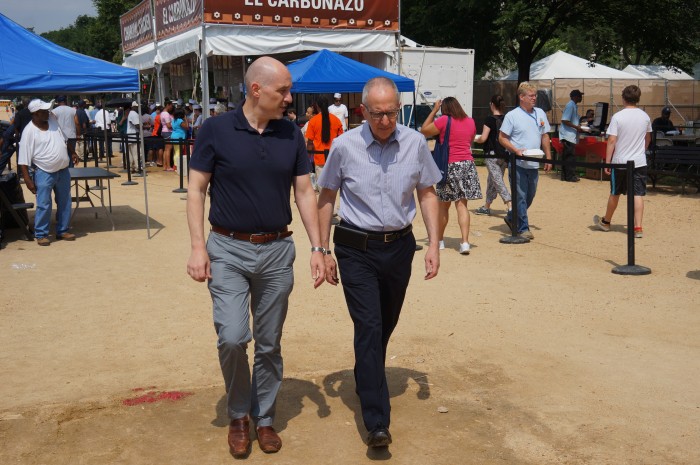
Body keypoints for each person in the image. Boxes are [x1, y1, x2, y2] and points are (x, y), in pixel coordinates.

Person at [186, 56, 325, 458]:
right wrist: (198, 248)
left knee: (268, 342)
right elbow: (196, 190)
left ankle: (262, 418)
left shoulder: (291, 135)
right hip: (227, 249)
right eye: (283, 90)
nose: (289, 97)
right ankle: (237, 414)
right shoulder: (214, 130)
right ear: (256, 89)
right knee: (232, 337)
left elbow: (304, 193)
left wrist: (318, 248)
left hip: (278, 250)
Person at [317, 76, 441, 448]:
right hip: (356, 248)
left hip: (399, 247)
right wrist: (321, 251)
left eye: (391, 113)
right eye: (377, 114)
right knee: (369, 326)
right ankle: (377, 421)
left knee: (385, 323)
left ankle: (365, 371)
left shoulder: (416, 143)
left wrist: (434, 243)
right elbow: (326, 197)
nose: (385, 120)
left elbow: (427, 193)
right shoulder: (344, 146)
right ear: (363, 111)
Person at [421, 96, 482, 254]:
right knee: (462, 205)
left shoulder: (443, 120)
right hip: (467, 164)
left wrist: (434, 110)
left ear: (444, 109)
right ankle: (465, 242)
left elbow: (424, 130)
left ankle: (440, 240)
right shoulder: (470, 121)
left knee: (443, 206)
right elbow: (469, 140)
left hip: (449, 165)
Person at [593, 85, 651, 239]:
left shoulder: (618, 117)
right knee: (638, 194)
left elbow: (611, 140)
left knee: (615, 192)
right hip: (638, 161)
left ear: (623, 98)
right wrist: (641, 151)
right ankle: (638, 227)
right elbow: (648, 138)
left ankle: (606, 222)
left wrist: (608, 161)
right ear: (638, 98)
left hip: (619, 161)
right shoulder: (645, 116)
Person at [17, 99, 77, 246]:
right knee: (44, 204)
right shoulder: (29, 132)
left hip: (63, 171)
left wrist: (73, 152)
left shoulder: (53, 120)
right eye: (44, 111)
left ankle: (62, 230)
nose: (48, 112)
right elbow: (23, 159)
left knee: (65, 201)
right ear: (36, 114)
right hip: (44, 172)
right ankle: (41, 234)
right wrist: (28, 180)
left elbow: (64, 138)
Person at [498, 81, 552, 240]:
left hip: (534, 163)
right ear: (521, 97)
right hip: (518, 164)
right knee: (520, 196)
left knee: (530, 196)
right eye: (531, 95)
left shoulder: (540, 113)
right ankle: (523, 228)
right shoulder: (512, 116)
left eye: (535, 95)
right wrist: (515, 150)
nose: (534, 98)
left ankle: (511, 216)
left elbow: (545, 136)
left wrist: (549, 158)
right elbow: (502, 138)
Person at [473, 95, 511, 216]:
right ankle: (486, 206)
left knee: (497, 181)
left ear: (492, 105)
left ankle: (510, 205)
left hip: (491, 155)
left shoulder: (489, 119)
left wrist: (475, 139)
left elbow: (483, 138)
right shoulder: (507, 118)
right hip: (504, 154)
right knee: (492, 180)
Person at [306, 96, 343, 188]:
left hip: (319, 158)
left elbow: (309, 142)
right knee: (333, 190)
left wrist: (309, 156)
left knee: (322, 190)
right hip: (334, 158)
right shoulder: (336, 120)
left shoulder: (313, 121)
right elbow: (342, 140)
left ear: (317, 106)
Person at [558, 89, 584, 182]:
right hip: (568, 135)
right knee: (570, 156)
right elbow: (564, 120)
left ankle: (565, 176)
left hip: (570, 135)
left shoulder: (573, 106)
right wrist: (576, 127)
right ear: (574, 97)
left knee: (567, 156)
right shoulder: (570, 105)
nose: (581, 98)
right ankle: (570, 176)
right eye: (579, 96)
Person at [122, 101, 141, 173]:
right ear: (133, 107)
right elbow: (137, 125)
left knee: (130, 154)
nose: (137, 107)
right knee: (136, 153)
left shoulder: (130, 113)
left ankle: (131, 167)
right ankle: (137, 168)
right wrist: (145, 127)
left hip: (130, 135)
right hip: (133, 135)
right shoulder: (134, 114)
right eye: (136, 106)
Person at [170, 107, 189, 173]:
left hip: (174, 136)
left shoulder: (174, 120)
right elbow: (186, 127)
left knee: (175, 152)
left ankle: (175, 166)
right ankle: (176, 166)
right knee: (178, 152)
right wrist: (185, 119)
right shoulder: (180, 120)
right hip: (179, 137)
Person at [160, 100, 174, 171]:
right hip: (168, 132)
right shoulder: (166, 114)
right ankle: (168, 166)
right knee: (168, 149)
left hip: (164, 131)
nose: (172, 107)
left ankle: (165, 166)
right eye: (171, 105)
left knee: (166, 150)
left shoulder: (162, 113)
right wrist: (175, 126)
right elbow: (168, 125)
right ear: (168, 105)